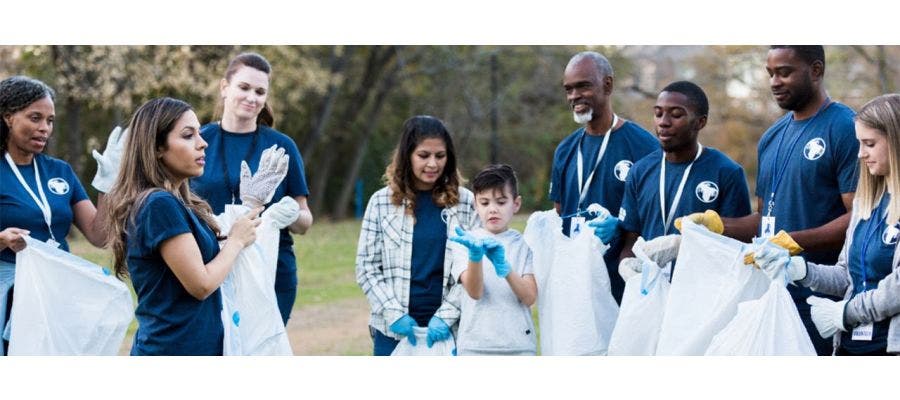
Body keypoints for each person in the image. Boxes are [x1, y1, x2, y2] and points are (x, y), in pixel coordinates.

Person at [682, 46, 859, 355]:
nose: (774, 81)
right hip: (771, 294)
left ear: (816, 70)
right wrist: (716, 224)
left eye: (785, 72)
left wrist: (792, 242)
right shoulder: (771, 137)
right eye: (770, 73)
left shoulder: (845, 126)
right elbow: (765, 219)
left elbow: (860, 217)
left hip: (820, 298)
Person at [105, 97, 289, 355]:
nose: (203, 143)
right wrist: (235, 241)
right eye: (188, 135)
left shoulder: (179, 203)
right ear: (157, 147)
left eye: (199, 134)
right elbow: (201, 284)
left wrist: (252, 204)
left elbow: (216, 255)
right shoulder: (158, 205)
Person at [753, 94, 900, 355]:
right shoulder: (868, 204)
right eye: (859, 144)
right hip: (849, 346)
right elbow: (847, 276)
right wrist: (799, 269)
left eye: (869, 143)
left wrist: (845, 312)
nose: (860, 154)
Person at [0, 76, 122, 355]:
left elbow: (99, 235)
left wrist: (107, 185)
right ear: (8, 117)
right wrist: (3, 240)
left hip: (55, 292)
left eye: (50, 120)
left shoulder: (60, 171)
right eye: (35, 118)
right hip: (10, 296)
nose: (44, 128)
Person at [191, 52, 312, 326]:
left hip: (269, 269)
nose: (252, 97)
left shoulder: (282, 147)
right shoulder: (199, 141)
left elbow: (305, 221)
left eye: (260, 91)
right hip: (210, 265)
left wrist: (290, 213)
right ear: (225, 88)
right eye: (244, 88)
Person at [355, 115, 478, 356]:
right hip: (393, 332)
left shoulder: (466, 203)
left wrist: (447, 315)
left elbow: (475, 270)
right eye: (424, 155)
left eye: (440, 156)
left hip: (450, 331)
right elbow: (367, 267)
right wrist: (393, 312)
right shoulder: (380, 202)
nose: (433, 164)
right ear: (407, 155)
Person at [550, 51, 658, 304]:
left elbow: (657, 218)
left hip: (623, 287)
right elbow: (558, 215)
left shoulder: (644, 147)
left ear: (607, 84)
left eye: (583, 86)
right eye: (569, 89)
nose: (574, 96)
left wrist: (620, 228)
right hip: (575, 287)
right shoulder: (565, 150)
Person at [616, 81, 751, 277]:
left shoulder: (726, 172)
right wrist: (626, 265)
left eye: (676, 114)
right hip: (648, 291)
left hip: (701, 292)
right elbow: (631, 238)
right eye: (658, 113)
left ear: (700, 122)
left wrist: (686, 245)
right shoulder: (640, 171)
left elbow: (737, 244)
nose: (663, 121)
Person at [449, 164, 538, 355]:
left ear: (516, 204)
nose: (493, 209)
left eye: (501, 202)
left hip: (518, 346)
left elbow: (529, 297)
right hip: (475, 346)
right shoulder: (464, 243)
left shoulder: (522, 244)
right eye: (485, 202)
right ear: (475, 204)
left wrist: (505, 268)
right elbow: (475, 292)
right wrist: (475, 257)